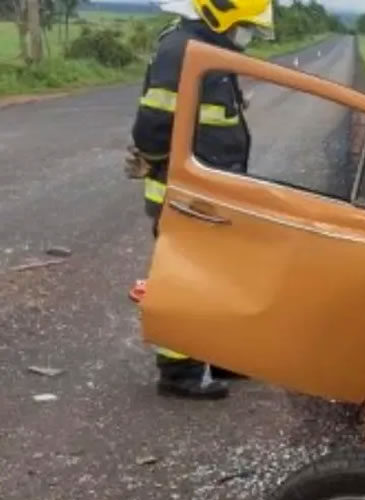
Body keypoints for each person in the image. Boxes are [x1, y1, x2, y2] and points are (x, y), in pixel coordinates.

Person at [124, 0, 273, 400]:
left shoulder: (209, 51)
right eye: (243, 26)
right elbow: (154, 124)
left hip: (210, 193)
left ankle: (217, 354)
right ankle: (178, 372)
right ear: (217, 12)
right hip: (183, 195)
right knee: (186, 281)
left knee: (218, 276)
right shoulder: (183, 50)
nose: (246, 36)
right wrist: (153, 161)